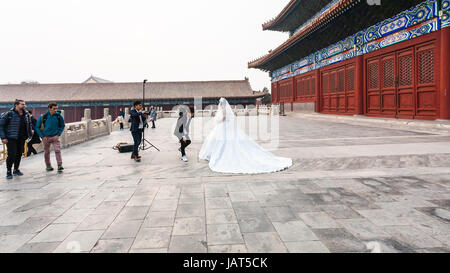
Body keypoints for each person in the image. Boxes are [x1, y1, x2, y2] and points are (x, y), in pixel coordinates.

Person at [199, 98, 292, 174]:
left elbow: (224, 117)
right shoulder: (225, 108)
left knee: (219, 141)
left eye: (220, 103)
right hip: (226, 127)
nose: (219, 105)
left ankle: (216, 155)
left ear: (222, 104)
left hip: (224, 126)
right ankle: (215, 154)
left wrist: (218, 121)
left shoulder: (223, 109)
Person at [0, 99, 33, 179]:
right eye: (22, 104)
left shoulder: (26, 114)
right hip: (11, 138)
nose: (24, 106)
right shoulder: (9, 114)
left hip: (21, 138)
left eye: (24, 104)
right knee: (11, 154)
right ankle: (8, 171)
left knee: (19, 154)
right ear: (16, 105)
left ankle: (16, 169)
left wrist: (30, 134)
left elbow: (29, 124)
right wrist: (3, 137)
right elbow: (1, 126)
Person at [35, 102, 66, 172]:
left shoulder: (58, 116)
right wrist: (42, 136)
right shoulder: (43, 116)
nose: (55, 110)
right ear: (49, 108)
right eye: (54, 109)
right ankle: (48, 166)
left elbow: (62, 125)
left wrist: (58, 134)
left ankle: (59, 165)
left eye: (56, 109)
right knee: (46, 152)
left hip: (55, 136)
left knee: (57, 150)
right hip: (45, 137)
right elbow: (37, 127)